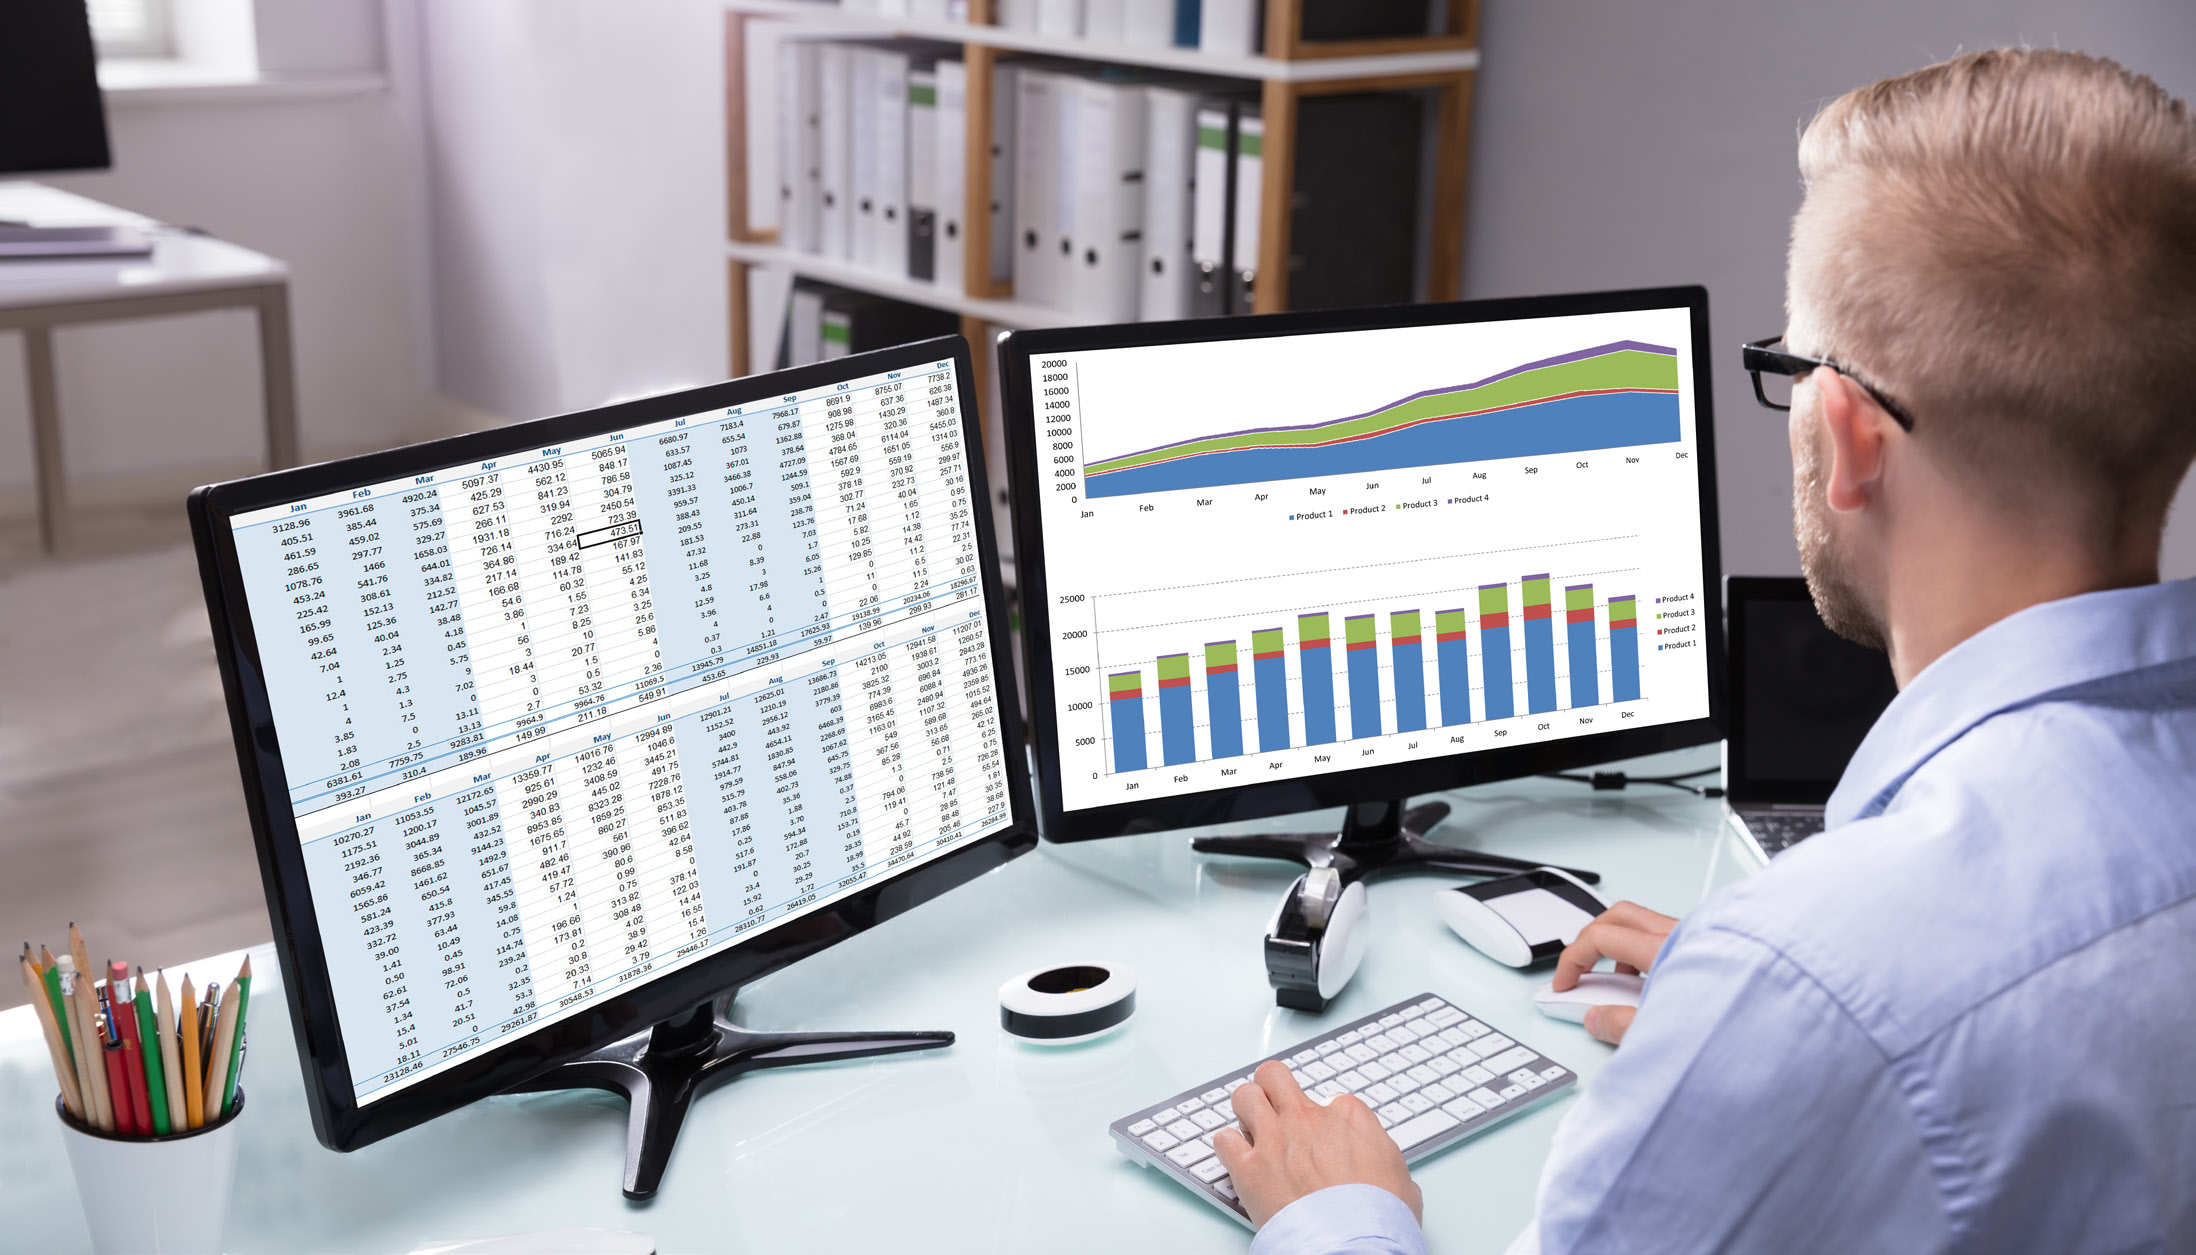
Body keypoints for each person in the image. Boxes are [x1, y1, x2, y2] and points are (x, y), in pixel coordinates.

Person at [1213, 47, 2196, 1254]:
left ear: (1846, 433)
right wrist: (1773, 1012)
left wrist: (1338, 1214)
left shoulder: (1813, 975)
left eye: (1788, 369)